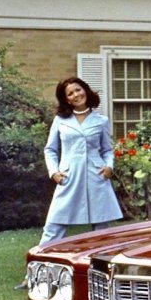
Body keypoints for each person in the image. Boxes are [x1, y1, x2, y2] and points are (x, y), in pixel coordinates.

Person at [38, 76, 123, 246]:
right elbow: (50, 150)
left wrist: (109, 167)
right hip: (69, 177)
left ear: (85, 90)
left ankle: (100, 261)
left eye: (78, 90)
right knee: (53, 226)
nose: (76, 95)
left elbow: (107, 150)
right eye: (70, 93)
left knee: (102, 230)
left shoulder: (101, 121)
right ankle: (39, 260)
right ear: (66, 99)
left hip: (96, 176)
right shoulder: (60, 120)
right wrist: (54, 172)